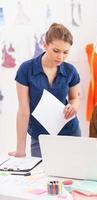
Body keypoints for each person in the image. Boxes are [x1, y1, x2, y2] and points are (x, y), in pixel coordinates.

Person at [9, 23, 81, 158]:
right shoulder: (26, 69)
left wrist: (74, 106)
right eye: (56, 50)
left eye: (65, 52)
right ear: (45, 44)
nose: (61, 57)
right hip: (41, 136)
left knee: (74, 176)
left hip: (70, 132)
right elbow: (24, 111)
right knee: (41, 177)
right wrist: (20, 150)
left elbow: (74, 98)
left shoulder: (71, 70)